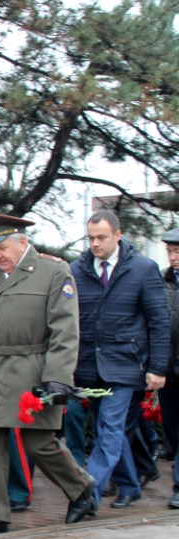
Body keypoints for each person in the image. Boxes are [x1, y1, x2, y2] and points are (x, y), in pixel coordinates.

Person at [0, 214, 95, 536]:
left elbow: (65, 331)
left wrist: (58, 378)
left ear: (22, 243)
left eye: (3, 247)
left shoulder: (53, 272)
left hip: (34, 370)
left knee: (39, 444)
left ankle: (80, 487)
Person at [70, 210, 170, 509]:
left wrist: (157, 367)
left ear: (117, 234)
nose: (95, 244)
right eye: (90, 238)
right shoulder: (77, 270)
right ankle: (128, 483)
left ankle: (90, 495)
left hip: (127, 365)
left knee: (111, 427)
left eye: (101, 237)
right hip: (90, 365)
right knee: (106, 427)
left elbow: (159, 321)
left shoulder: (142, 269)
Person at [162, 229, 179, 509]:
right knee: (171, 427)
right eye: (170, 252)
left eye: (178, 252)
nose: (174, 257)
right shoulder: (160, 281)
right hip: (166, 367)